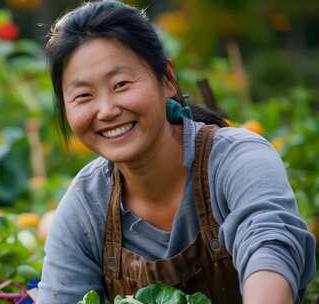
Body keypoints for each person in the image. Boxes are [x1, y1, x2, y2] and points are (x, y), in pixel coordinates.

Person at [37, 1, 316, 303]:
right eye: (83, 95)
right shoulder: (85, 209)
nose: (106, 110)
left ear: (166, 79)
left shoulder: (236, 160)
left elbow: (270, 248)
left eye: (121, 84)